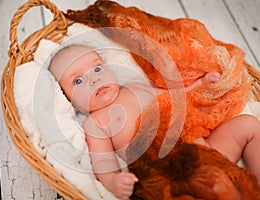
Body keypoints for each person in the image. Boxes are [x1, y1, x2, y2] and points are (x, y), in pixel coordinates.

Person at [49, 44, 260, 199]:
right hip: (172, 174)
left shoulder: (136, 87)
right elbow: (103, 161)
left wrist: (200, 83)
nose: (94, 79)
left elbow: (175, 95)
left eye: (97, 68)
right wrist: (114, 182)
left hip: (208, 149)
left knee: (248, 125)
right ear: (69, 101)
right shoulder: (96, 123)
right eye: (78, 80)